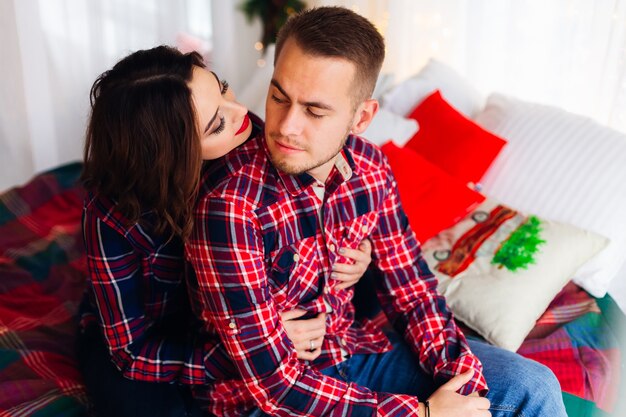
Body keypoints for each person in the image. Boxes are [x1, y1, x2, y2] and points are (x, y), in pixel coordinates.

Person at [186, 6, 569, 417]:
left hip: (354, 353)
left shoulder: (370, 169)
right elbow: (275, 387)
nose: (286, 126)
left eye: (315, 111)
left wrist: (464, 385)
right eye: (279, 97)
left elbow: (413, 294)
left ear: (362, 117)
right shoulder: (229, 205)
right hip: (265, 398)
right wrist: (422, 413)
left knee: (532, 386)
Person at [79, 45, 373, 417]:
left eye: (223, 88)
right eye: (215, 123)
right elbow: (130, 352)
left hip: (243, 308)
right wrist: (256, 346)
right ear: (170, 154)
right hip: (164, 338)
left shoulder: (246, 132)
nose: (241, 114)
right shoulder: (110, 217)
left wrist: (354, 247)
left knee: (371, 290)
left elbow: (314, 205)